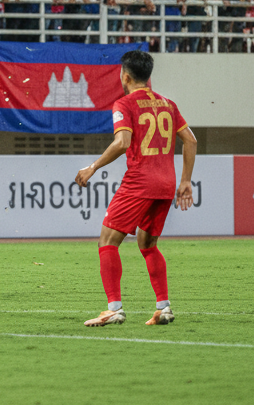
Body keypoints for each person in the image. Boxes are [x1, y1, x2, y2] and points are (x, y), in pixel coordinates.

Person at [75, 49, 196, 327]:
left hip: (140, 182)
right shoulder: (168, 104)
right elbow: (191, 141)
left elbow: (122, 143)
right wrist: (186, 180)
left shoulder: (124, 104)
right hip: (166, 185)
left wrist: (92, 167)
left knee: (107, 241)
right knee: (148, 244)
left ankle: (114, 308)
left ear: (125, 76)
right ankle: (163, 307)